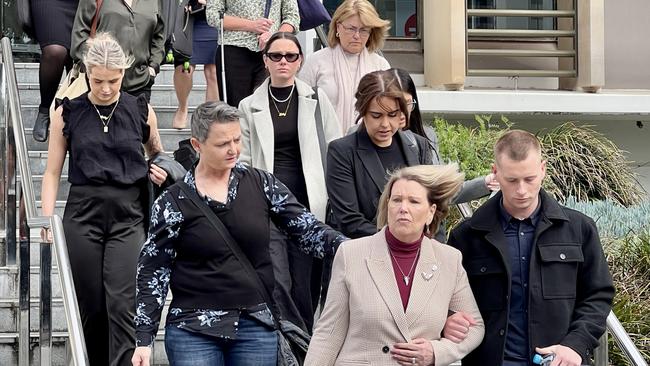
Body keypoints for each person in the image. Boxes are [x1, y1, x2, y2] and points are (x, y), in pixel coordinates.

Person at [131, 101, 347, 366]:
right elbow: (154, 269)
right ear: (197, 145)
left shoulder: (261, 183)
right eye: (223, 144)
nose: (233, 150)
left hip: (255, 324)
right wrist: (144, 338)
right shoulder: (173, 202)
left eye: (237, 140)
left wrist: (350, 247)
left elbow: (307, 230)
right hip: (193, 328)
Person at [40, 33, 167, 366]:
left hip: (129, 213)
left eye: (114, 80)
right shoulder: (67, 113)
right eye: (98, 80)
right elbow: (52, 172)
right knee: (92, 305)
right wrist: (47, 217)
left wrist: (160, 169)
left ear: (124, 74)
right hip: (83, 213)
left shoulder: (141, 109)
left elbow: (158, 155)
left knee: (123, 303)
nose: (107, 88)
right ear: (86, 73)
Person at [447, 130, 615, 366]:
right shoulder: (466, 236)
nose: (522, 190)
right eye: (512, 180)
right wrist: (449, 319)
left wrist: (575, 345)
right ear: (495, 173)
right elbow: (445, 301)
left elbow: (598, 296)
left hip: (559, 360)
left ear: (543, 169)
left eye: (529, 179)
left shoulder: (580, 229)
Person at [305, 164, 485, 366]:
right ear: (387, 205)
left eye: (414, 201)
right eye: (397, 200)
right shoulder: (351, 254)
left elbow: (475, 327)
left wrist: (437, 351)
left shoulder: (449, 260)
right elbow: (329, 333)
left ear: (430, 212)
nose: (403, 208)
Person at [238, 31, 342, 332]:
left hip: (309, 205)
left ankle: (304, 344)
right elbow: (243, 161)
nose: (283, 61)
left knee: (306, 284)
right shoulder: (248, 105)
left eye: (290, 56)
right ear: (265, 61)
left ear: (300, 61)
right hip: (267, 207)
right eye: (276, 56)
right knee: (277, 279)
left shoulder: (317, 99)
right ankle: (288, 345)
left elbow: (335, 148)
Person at [390, 67, 500, 241]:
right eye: (396, 104)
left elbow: (442, 190)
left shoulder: (427, 136)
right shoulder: (366, 142)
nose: (403, 111)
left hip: (431, 236)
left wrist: (485, 183)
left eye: (408, 103)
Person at [326, 69, 432, 240]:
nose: (385, 124)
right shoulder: (342, 151)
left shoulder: (419, 146)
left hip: (416, 253)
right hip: (364, 253)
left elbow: (433, 205)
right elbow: (349, 220)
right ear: (363, 113)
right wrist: (399, 238)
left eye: (392, 115)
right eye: (376, 116)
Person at [300, 0, 391, 132]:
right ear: (338, 27)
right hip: (325, 144)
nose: (356, 36)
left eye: (364, 30)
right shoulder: (316, 61)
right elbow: (302, 106)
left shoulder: (380, 65)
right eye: (351, 29)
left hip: (369, 144)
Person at [206, 0, 299, 108]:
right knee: (236, 109)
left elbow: (292, 17)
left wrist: (275, 37)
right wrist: (252, 25)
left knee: (270, 107)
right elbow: (213, 16)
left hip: (272, 52)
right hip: (234, 48)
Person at [71, 0, 165, 102]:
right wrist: (93, 68)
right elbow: (79, 36)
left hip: (140, 82)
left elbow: (159, 35)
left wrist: (153, 67)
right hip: (99, 85)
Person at [30, 0, 79, 142]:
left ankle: (76, 117)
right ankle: (45, 109)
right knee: (55, 51)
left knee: (78, 57)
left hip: (83, 3)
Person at [172, 0, 220, 129]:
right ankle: (182, 107)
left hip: (213, 19)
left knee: (213, 71)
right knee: (184, 68)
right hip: (188, 18)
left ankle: (210, 116)